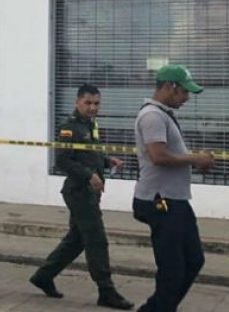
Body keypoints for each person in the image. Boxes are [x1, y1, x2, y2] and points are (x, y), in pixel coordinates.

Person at [29, 84, 133, 310]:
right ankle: (106, 291)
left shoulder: (90, 125)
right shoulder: (69, 127)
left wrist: (107, 161)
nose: (93, 107)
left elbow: (90, 154)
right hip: (79, 192)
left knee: (76, 240)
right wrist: (89, 176)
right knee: (96, 240)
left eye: (96, 103)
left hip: (90, 192)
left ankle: (43, 276)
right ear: (77, 102)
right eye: (88, 103)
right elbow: (63, 161)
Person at [132, 64, 215, 312]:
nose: (187, 98)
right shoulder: (152, 116)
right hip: (161, 202)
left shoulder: (163, 114)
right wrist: (194, 159)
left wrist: (194, 161)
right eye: (184, 92)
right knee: (173, 270)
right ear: (170, 87)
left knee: (193, 260)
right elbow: (158, 156)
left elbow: (170, 155)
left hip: (175, 200)